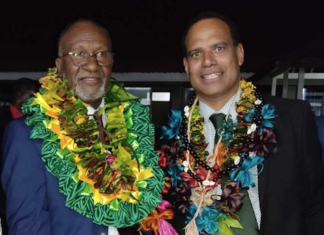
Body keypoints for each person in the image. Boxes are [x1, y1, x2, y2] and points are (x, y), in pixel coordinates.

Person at [160, 12, 324, 235]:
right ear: (187, 66)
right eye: (197, 53)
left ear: (239, 54)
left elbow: (316, 205)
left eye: (219, 48)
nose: (208, 61)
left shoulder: (293, 118)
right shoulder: (172, 136)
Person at [1, 20, 163, 235]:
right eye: (79, 54)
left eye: (101, 54)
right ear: (59, 67)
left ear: (112, 63)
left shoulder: (136, 128)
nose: (93, 64)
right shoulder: (27, 135)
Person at [0, 78, 38, 235]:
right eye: (33, 96)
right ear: (20, 95)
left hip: (28, 194)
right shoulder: (2, 118)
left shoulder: (36, 122)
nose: (37, 101)